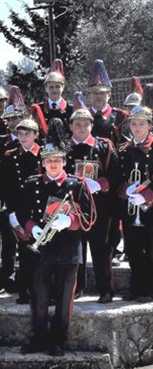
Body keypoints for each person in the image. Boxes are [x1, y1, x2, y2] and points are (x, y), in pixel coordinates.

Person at [18, 120, 94, 356]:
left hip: (68, 249)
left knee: (63, 299)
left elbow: (89, 216)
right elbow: (21, 213)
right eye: (49, 161)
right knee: (38, 296)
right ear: (43, 163)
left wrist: (69, 222)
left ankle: (58, 340)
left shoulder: (77, 184)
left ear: (64, 162)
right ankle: (39, 338)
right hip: (41, 250)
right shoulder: (32, 184)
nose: (53, 164)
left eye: (57, 160)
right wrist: (32, 228)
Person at [66, 96, 120, 302]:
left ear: (92, 125)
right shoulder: (64, 149)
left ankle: (106, 289)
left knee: (101, 249)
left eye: (86, 123)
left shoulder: (104, 146)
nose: (82, 127)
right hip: (73, 208)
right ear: (70, 126)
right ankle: (77, 288)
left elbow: (116, 174)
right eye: (77, 124)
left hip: (100, 207)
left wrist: (100, 184)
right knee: (75, 248)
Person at [0, 106, 47, 303]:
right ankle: (25, 291)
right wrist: (10, 211)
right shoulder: (10, 156)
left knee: (43, 252)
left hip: (41, 209)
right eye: (19, 132)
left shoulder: (43, 154)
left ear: (36, 134)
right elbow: (4, 186)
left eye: (27, 132)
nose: (23, 136)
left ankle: (43, 291)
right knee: (24, 252)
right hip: (18, 210)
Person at [118, 88, 153, 301]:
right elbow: (117, 177)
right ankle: (136, 287)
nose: (137, 127)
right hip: (130, 210)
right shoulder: (125, 150)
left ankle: (149, 289)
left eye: (141, 123)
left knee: (150, 249)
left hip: (150, 210)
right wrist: (124, 190)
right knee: (132, 248)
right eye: (133, 123)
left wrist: (147, 196)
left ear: (150, 126)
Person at [33, 59, 75, 130]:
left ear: (63, 88)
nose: (54, 90)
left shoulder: (71, 109)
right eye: (51, 87)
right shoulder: (39, 109)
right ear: (46, 88)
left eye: (57, 87)